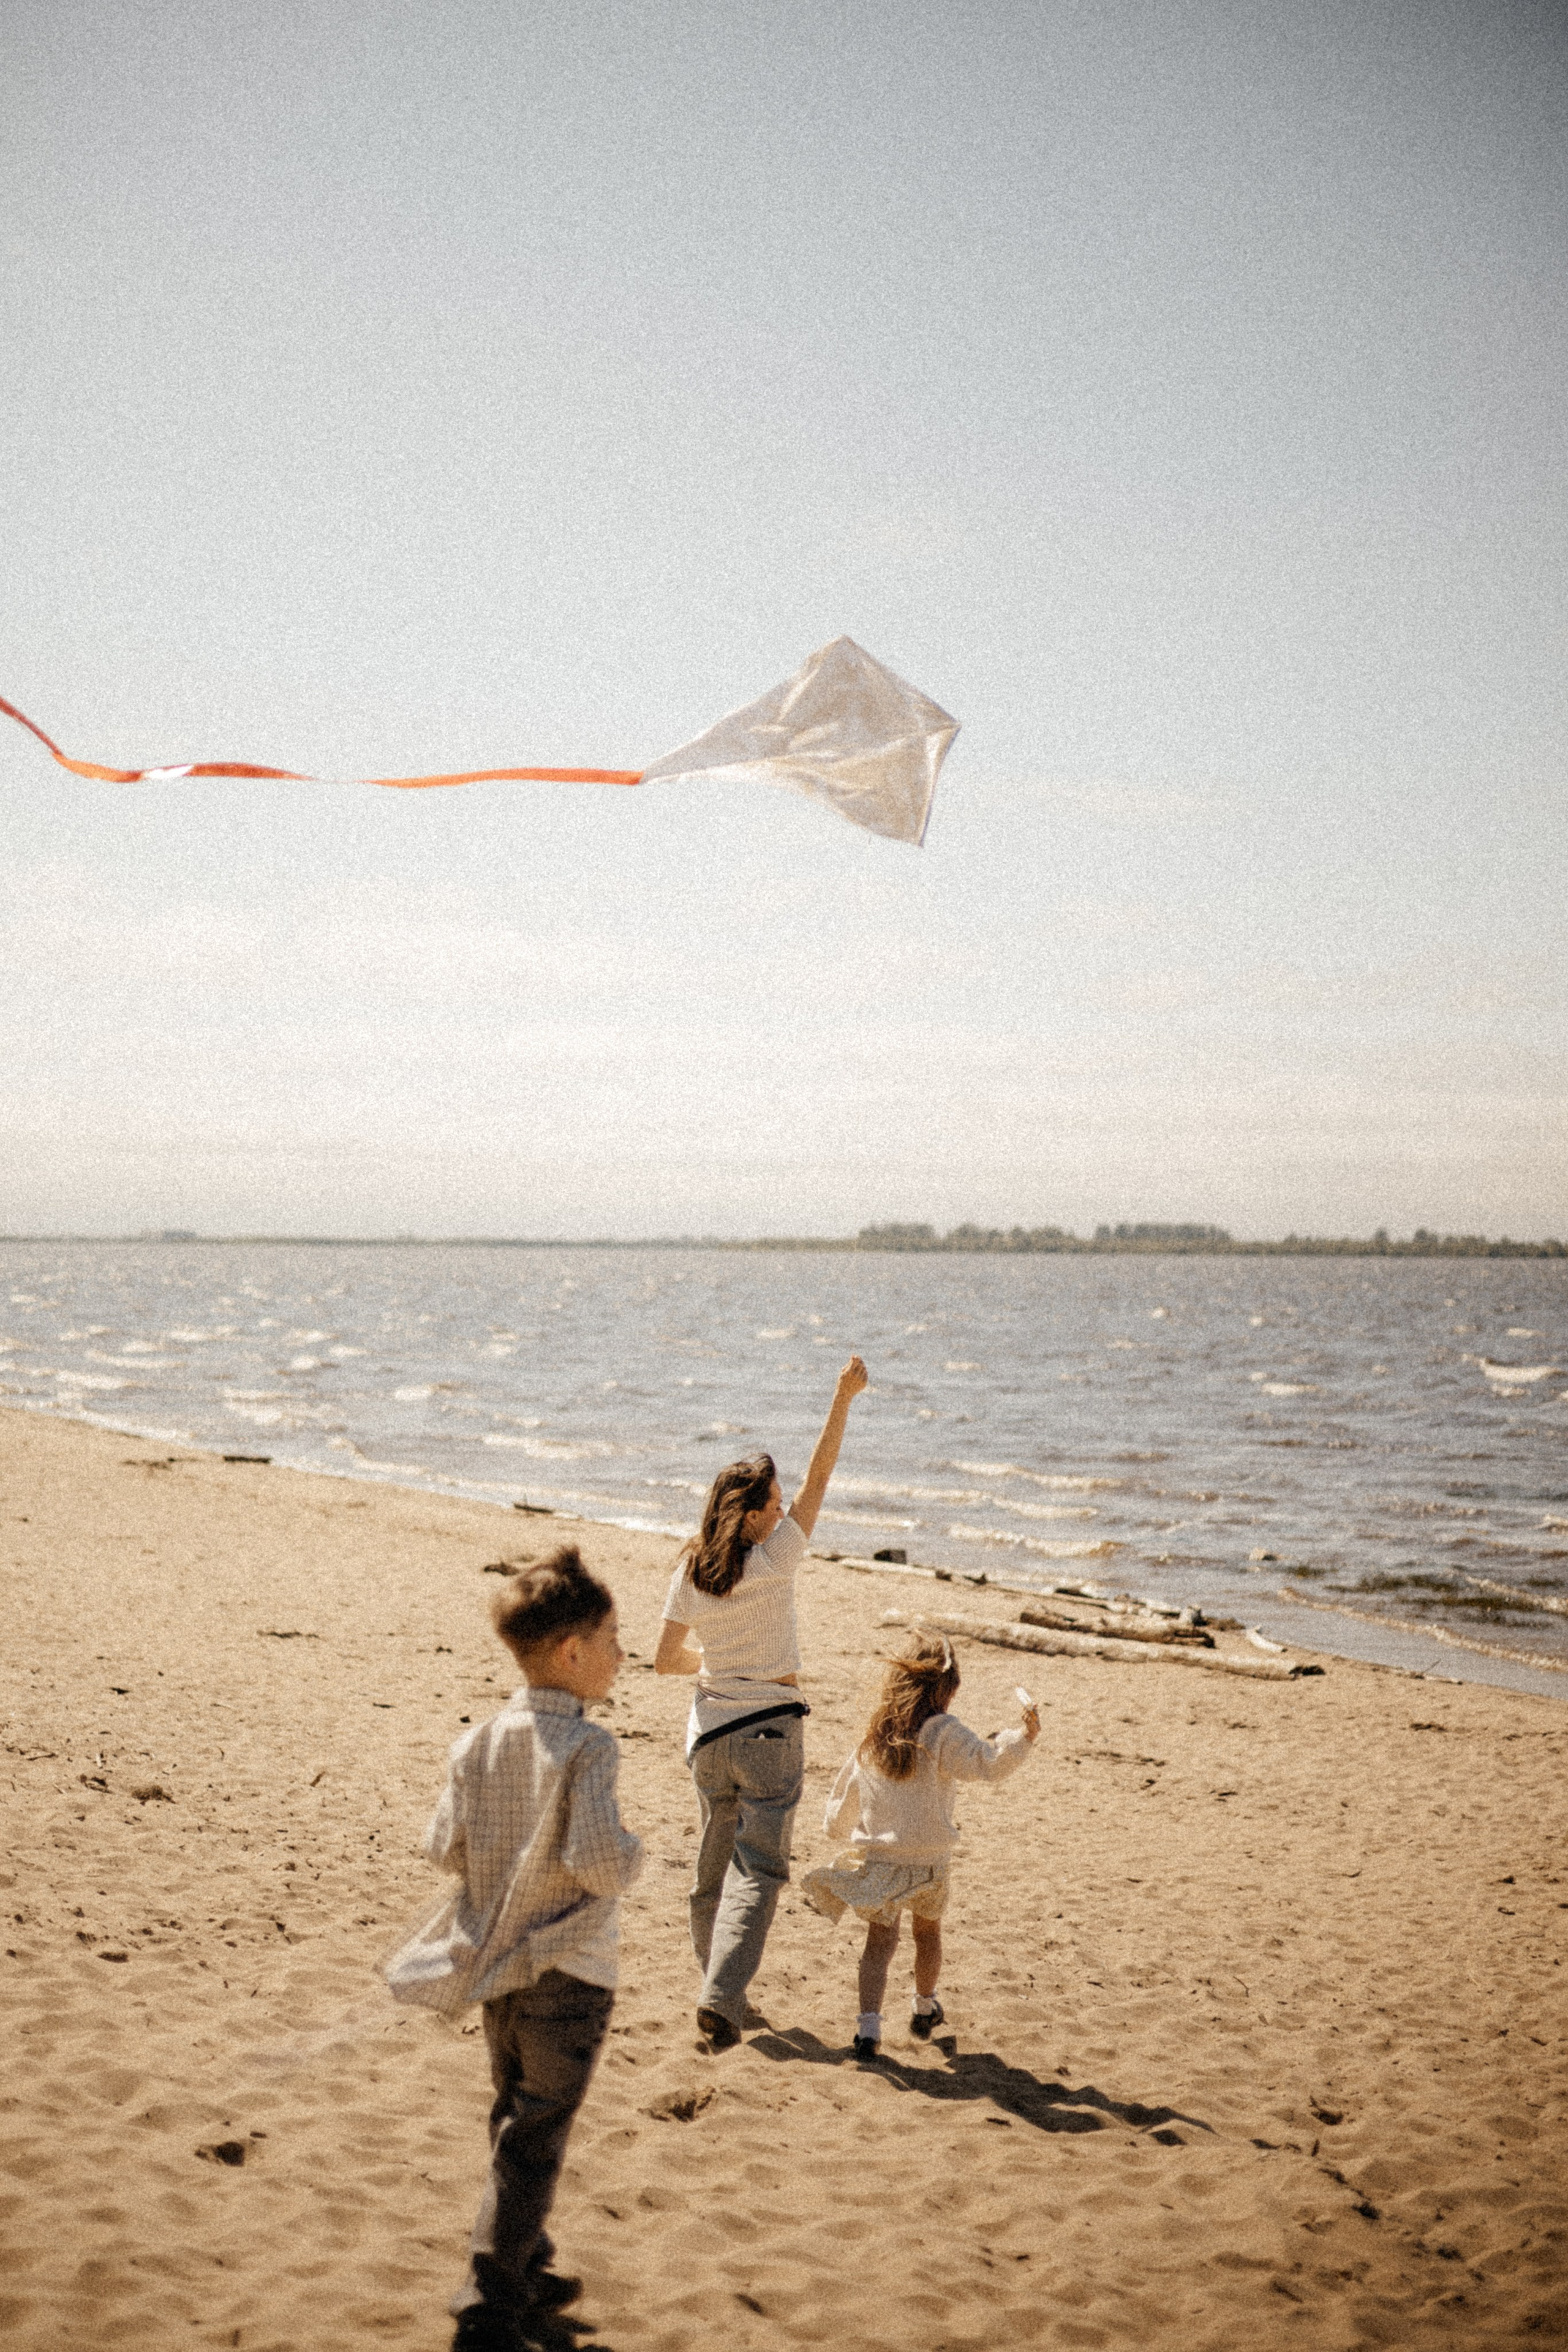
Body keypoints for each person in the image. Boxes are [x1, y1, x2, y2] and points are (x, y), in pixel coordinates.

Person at [384, 1546, 643, 2352]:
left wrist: (500, 1858)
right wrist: (635, 1856)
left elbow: (441, 1848)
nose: (621, 1653)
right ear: (572, 1653)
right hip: (570, 1974)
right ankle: (490, 2306)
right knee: (535, 2135)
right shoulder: (589, 1751)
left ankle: (526, 2262)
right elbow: (601, 1862)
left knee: (514, 2115)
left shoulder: (477, 1744)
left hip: (499, 1968)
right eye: (612, 1637)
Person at [655, 1354, 869, 2048]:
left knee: (713, 1864)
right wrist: (841, 1397)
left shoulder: (691, 1567)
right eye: (772, 1506)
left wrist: (714, 1665)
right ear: (747, 1514)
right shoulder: (776, 1558)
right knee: (760, 1868)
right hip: (770, 1734)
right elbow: (821, 1476)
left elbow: (664, 1661)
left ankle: (715, 1983)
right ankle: (722, 1996)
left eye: (781, 1507)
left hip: (709, 1739)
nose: (783, 1513)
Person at [802, 1631, 1039, 2059]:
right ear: (947, 1690)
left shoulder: (877, 1734)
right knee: (927, 1933)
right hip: (930, 1862)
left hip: (882, 1861)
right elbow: (986, 1764)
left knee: (879, 1943)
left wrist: (834, 1828)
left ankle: (868, 2030)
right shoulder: (944, 1731)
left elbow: (849, 1792)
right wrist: (1022, 1738)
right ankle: (924, 2006)